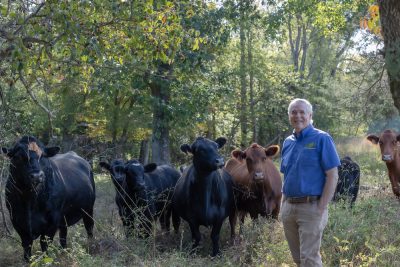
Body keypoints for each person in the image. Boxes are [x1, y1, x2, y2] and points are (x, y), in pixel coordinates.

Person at [280, 98, 340, 267]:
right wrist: (283, 205)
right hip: (289, 208)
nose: (297, 116)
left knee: (310, 259)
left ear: (310, 115)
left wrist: (321, 207)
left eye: (302, 112)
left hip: (311, 207)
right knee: (298, 259)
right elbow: (287, 175)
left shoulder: (322, 139)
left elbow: (332, 175)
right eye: (293, 112)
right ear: (289, 116)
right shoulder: (287, 142)